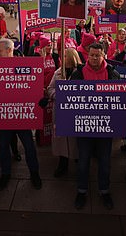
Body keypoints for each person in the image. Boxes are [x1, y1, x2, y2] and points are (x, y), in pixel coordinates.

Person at [70, 42, 120, 210]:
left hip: (105, 127)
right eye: (91, 55)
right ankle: (81, 190)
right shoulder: (78, 73)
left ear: (103, 55)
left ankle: (104, 190)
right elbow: (70, 100)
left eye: (97, 55)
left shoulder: (113, 74)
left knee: (105, 162)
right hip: (84, 126)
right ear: (87, 55)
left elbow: (119, 101)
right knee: (83, 161)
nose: (94, 58)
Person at [0, 39, 42, 191]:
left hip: (22, 116)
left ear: (9, 50)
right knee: (3, 148)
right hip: (4, 115)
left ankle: (34, 173)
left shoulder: (26, 65)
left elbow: (33, 85)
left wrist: (39, 100)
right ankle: (5, 173)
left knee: (29, 147)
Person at [45, 48, 81, 177]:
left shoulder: (81, 73)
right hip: (60, 109)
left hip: (76, 111)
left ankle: (79, 161)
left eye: (65, 56)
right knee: (61, 139)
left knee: (75, 139)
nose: (62, 58)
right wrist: (59, 95)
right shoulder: (58, 73)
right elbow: (50, 89)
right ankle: (63, 163)